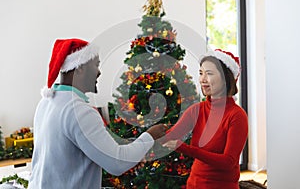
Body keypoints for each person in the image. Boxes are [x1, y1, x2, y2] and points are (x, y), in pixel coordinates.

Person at [28, 38, 167, 189]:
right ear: (80, 68)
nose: (99, 72)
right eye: (96, 65)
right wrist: (150, 136)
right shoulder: (79, 111)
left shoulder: (47, 102)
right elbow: (116, 162)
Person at [163, 49, 248, 189]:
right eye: (201, 73)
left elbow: (228, 162)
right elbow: (170, 136)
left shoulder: (237, 116)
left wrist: (186, 148)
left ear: (225, 78)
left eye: (209, 74)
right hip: (194, 184)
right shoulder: (197, 110)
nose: (202, 79)